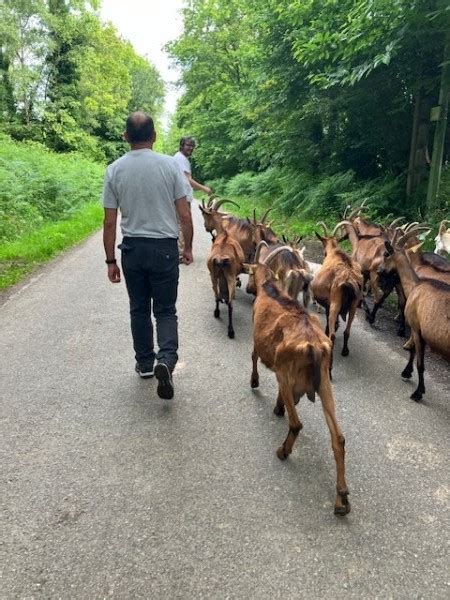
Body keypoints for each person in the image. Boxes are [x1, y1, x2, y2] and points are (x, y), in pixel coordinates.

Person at [102, 112, 193, 400]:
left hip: (133, 249)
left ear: (126, 137)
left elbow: (108, 222)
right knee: (165, 309)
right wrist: (188, 247)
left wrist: (110, 260)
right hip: (164, 248)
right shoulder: (169, 166)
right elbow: (185, 214)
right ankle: (166, 360)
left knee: (138, 307)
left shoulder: (114, 170)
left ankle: (144, 363)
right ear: (154, 136)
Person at [173, 136, 212, 261]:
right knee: (183, 224)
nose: (190, 148)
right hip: (181, 197)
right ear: (182, 145)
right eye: (188, 145)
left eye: (192, 146)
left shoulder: (180, 158)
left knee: (180, 223)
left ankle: (179, 252)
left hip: (181, 196)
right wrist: (204, 189)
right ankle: (180, 254)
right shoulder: (180, 159)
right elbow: (188, 180)